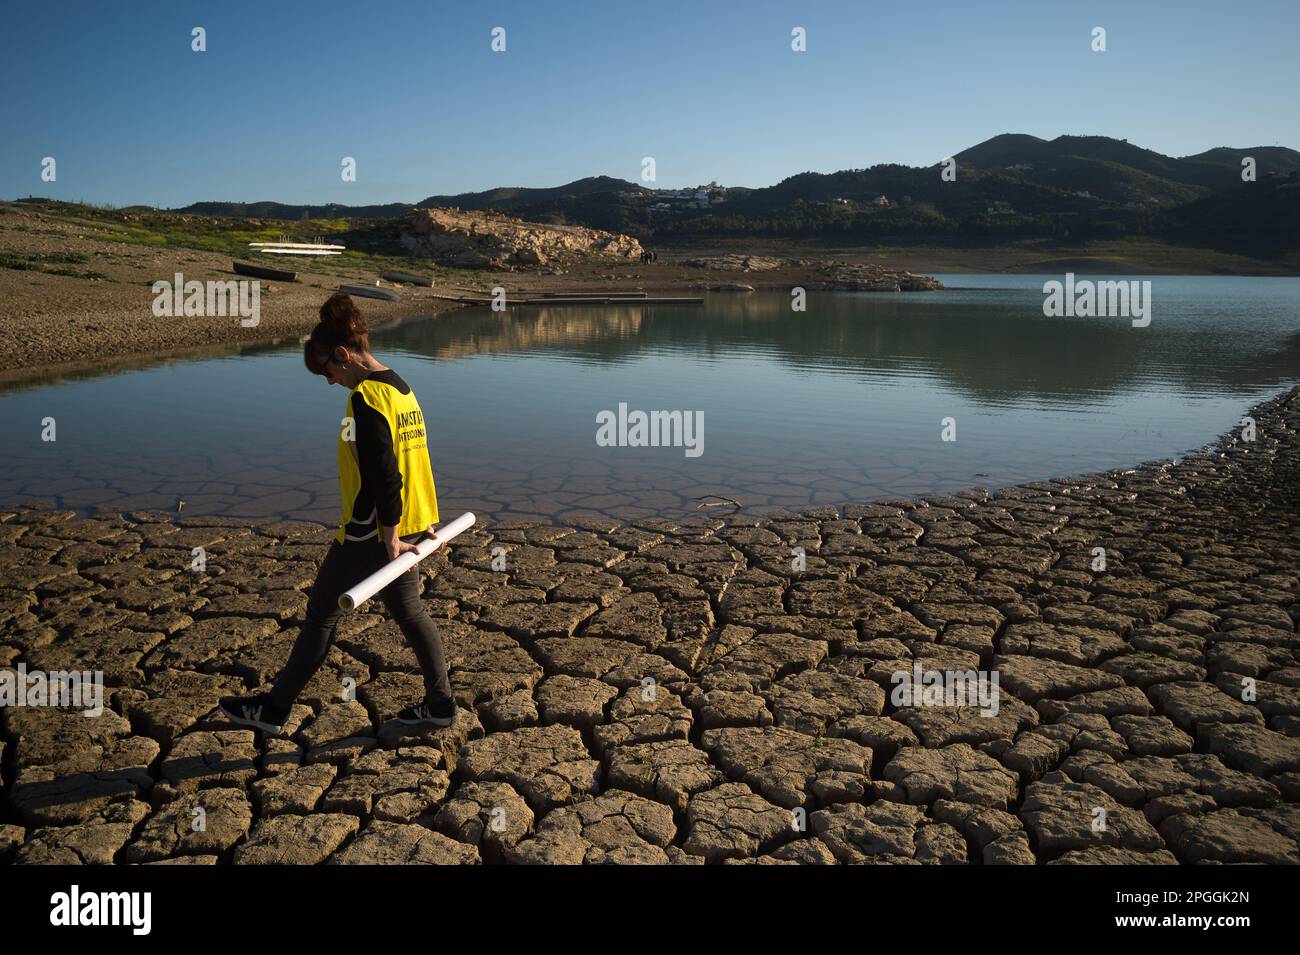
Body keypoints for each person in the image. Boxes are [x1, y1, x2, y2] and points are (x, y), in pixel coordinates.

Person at [220, 293, 455, 735]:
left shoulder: (366, 399)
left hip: (373, 532)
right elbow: (409, 462)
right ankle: (440, 704)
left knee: (322, 613)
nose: (329, 382)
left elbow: (385, 473)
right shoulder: (401, 388)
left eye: (327, 371)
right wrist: (412, 528)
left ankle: (273, 711)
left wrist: (386, 538)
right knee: (409, 612)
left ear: (342, 355)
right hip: (411, 525)